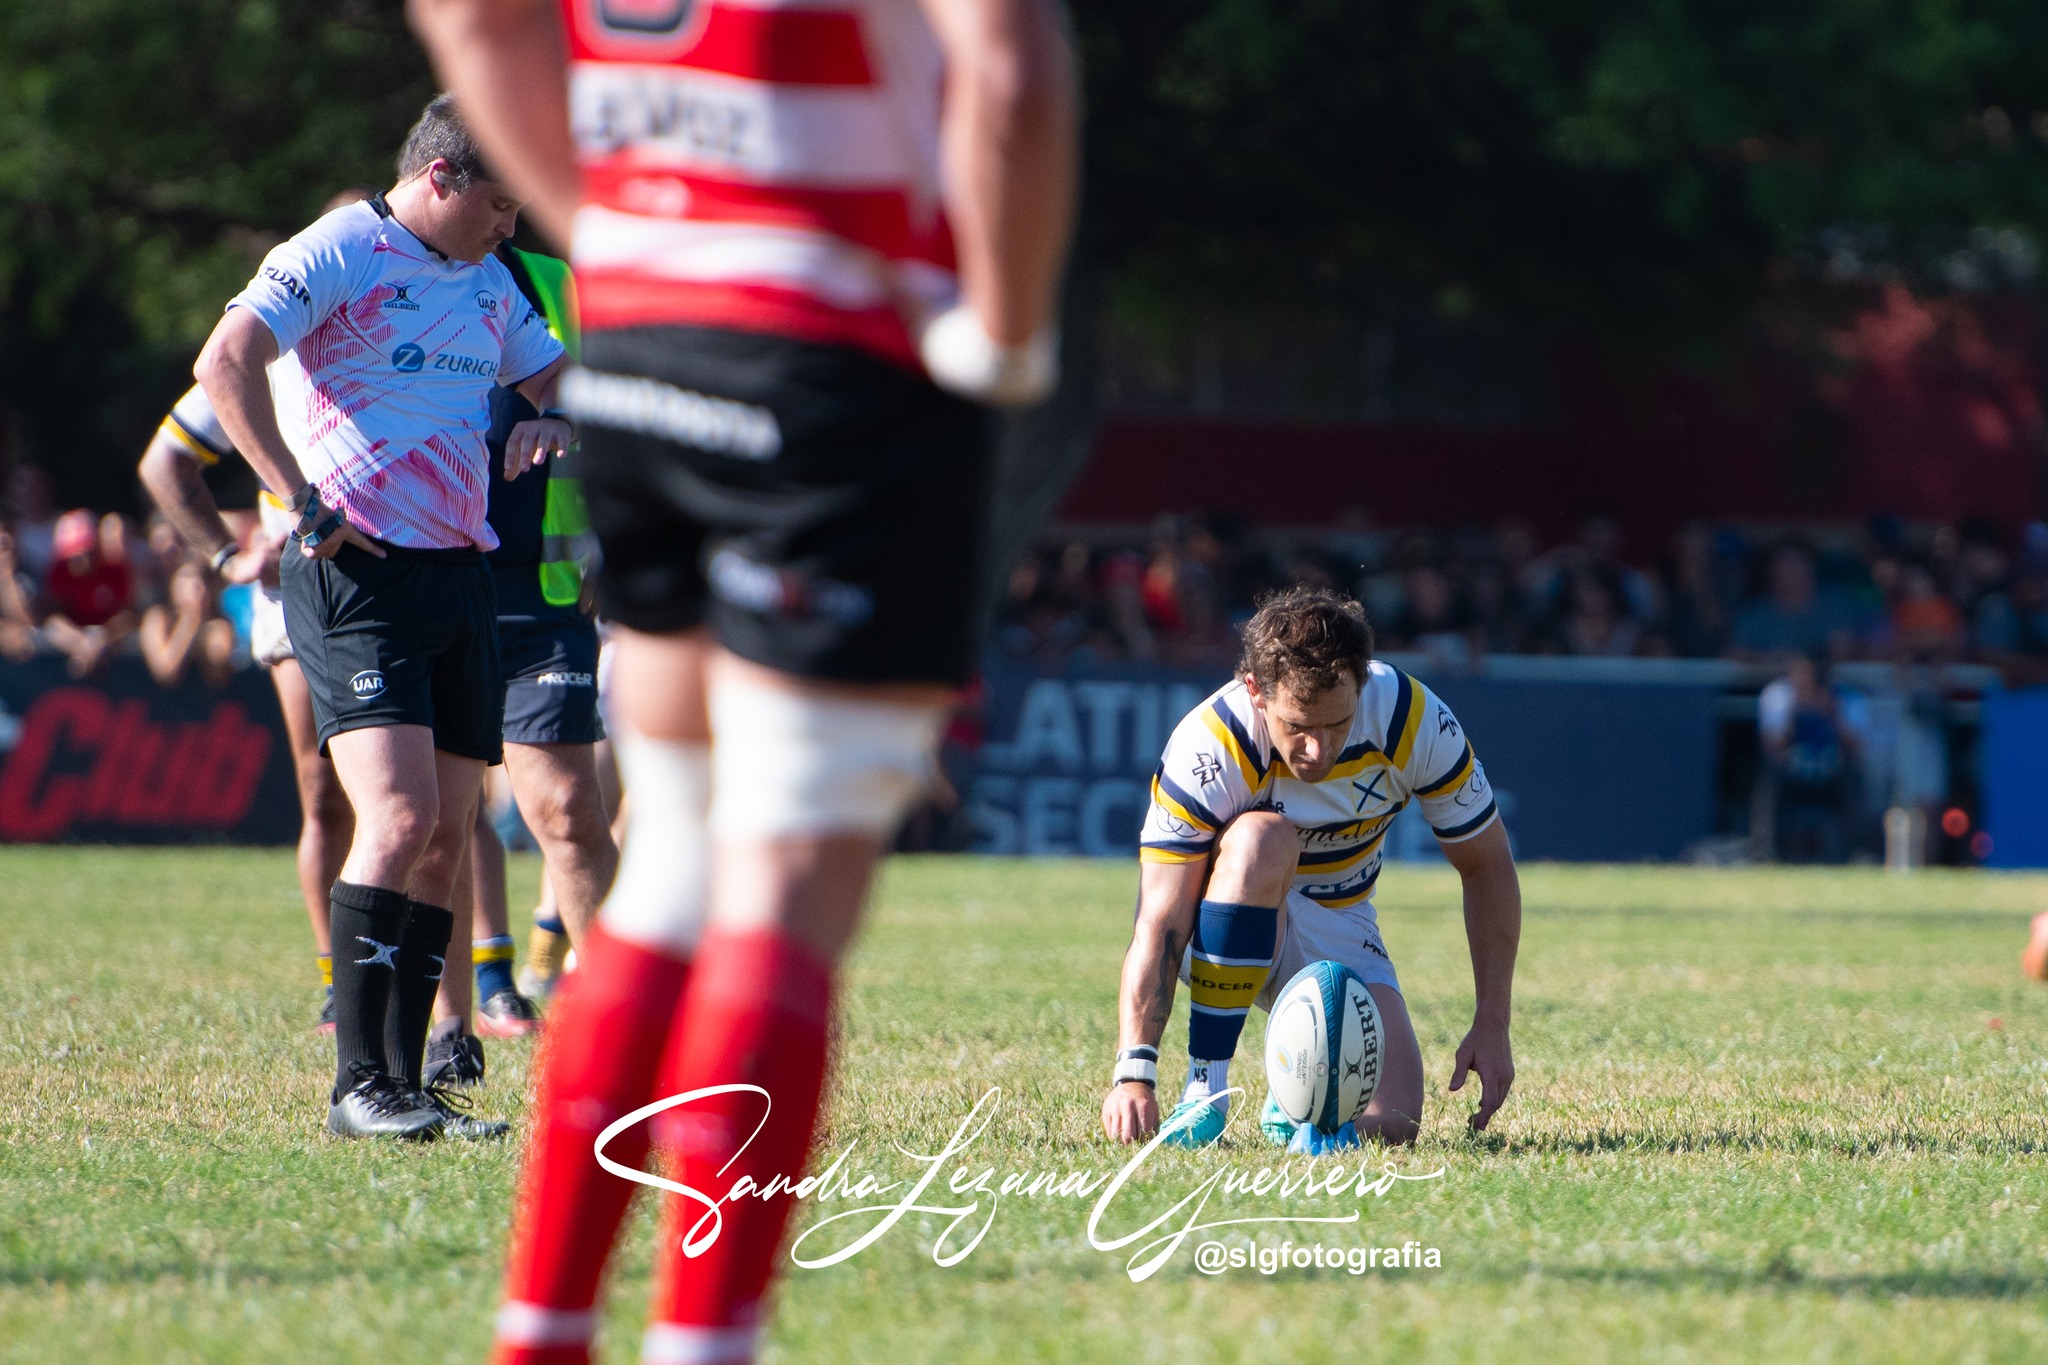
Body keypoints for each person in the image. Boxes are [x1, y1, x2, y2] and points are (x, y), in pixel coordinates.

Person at [411, 0, 1077, 1358]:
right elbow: (1007, 76)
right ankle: (705, 1339)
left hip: (650, 359)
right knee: (776, 889)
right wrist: (1004, 339)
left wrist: (618, 234)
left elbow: (472, 19)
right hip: (837, 369)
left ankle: (543, 1328)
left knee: (670, 873)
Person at [192, 95, 569, 1140]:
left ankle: (406, 1085)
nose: (511, 226)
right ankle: (359, 1086)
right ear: (441, 178)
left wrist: (550, 412)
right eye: (499, 202)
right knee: (396, 818)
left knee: (447, 837)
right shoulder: (344, 245)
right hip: (356, 574)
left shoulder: (487, 279)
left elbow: (546, 368)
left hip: (460, 572)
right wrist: (295, 497)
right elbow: (222, 364)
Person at [1101, 586, 1522, 1151]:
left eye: (1337, 725)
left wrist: (1492, 1021)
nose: (1318, 751)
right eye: (1299, 726)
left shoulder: (1412, 720)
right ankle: (1205, 1089)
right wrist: (1135, 1073)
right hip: (1220, 917)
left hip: (1342, 915)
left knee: (1394, 1123)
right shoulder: (1210, 745)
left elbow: (1488, 866)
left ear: (1362, 686)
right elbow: (1160, 920)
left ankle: (1298, 1104)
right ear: (1255, 691)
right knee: (1262, 839)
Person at [139, 188, 379, 1033]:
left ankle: (445, 979)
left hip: (403, 583)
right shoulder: (268, 346)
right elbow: (166, 464)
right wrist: (227, 557)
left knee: (418, 803)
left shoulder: (422, 324)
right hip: (297, 592)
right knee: (327, 799)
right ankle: (336, 979)